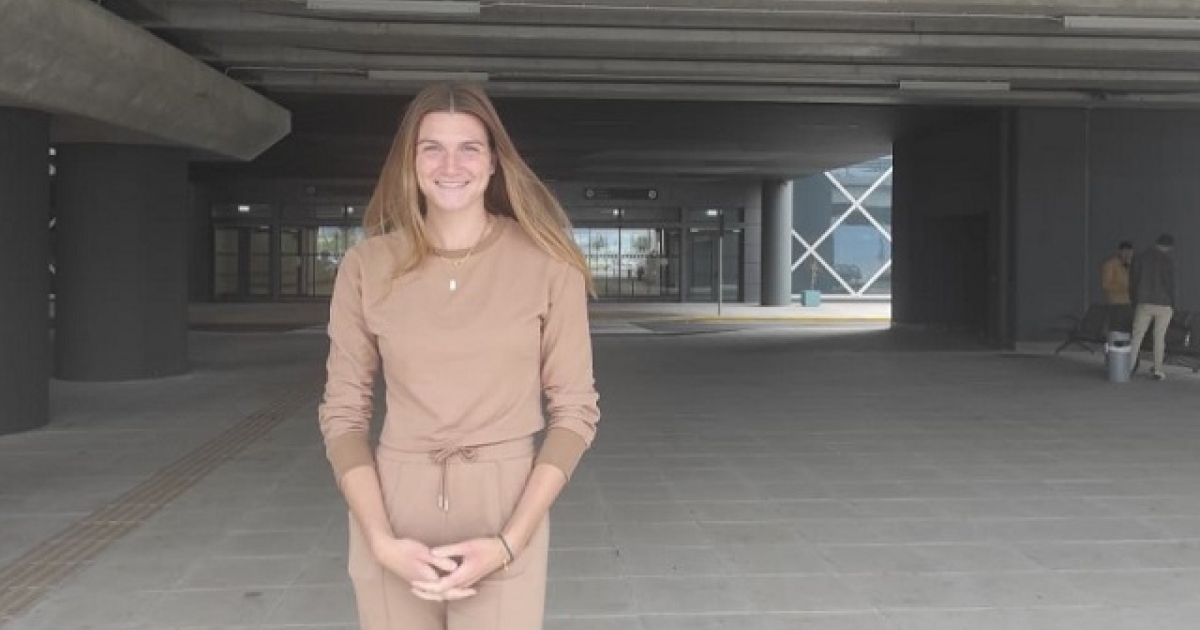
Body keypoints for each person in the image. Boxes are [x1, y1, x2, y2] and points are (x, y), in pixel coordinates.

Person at [317, 83, 600, 630]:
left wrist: (510, 542)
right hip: (394, 506)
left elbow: (576, 412)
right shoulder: (366, 266)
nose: (451, 165)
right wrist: (380, 540)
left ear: (493, 161)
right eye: (432, 148)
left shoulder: (548, 263)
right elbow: (343, 413)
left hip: (505, 506)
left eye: (469, 148)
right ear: (411, 161)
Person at [1128, 233, 1177, 380]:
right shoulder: (1169, 260)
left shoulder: (1140, 257)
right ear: (1169, 247)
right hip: (1164, 304)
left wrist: (1134, 300)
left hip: (1144, 302)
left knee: (1136, 337)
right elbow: (1171, 284)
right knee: (1159, 338)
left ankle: (1127, 368)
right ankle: (1157, 370)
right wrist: (1172, 304)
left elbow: (1133, 281)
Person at [1101, 240, 1133, 305]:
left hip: (1130, 303)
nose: (1127, 254)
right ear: (1119, 252)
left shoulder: (1133, 265)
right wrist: (1124, 285)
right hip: (1116, 303)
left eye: (1129, 252)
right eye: (1124, 251)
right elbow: (1107, 285)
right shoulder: (1110, 265)